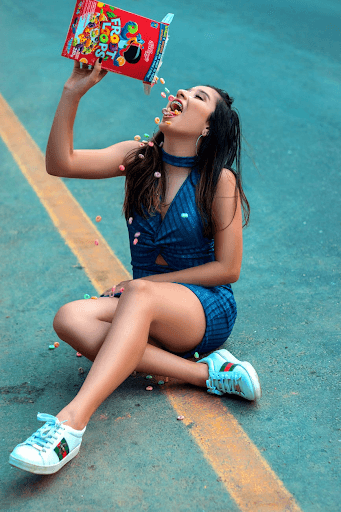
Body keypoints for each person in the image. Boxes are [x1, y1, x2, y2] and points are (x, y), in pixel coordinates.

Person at [9, 58, 261, 475]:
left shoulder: (220, 181)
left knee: (140, 291)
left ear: (207, 129)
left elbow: (227, 269)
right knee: (70, 317)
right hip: (142, 306)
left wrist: (144, 285)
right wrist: (73, 90)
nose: (180, 94)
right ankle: (207, 375)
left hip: (202, 308)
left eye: (198, 97)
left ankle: (70, 426)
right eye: (183, 89)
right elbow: (61, 163)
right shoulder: (139, 157)